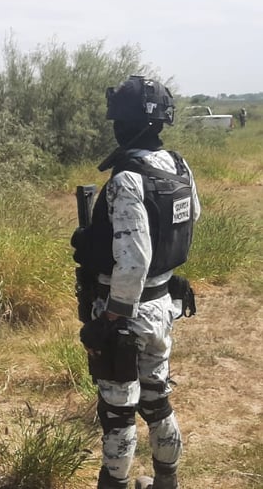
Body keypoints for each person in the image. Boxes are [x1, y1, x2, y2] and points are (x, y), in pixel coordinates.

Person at [72, 75, 201, 489]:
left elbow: (133, 260)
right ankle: (167, 481)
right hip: (163, 303)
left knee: (118, 411)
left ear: (123, 123)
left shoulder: (128, 178)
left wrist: (109, 317)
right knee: (157, 400)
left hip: (128, 311)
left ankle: (115, 484)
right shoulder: (178, 166)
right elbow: (189, 220)